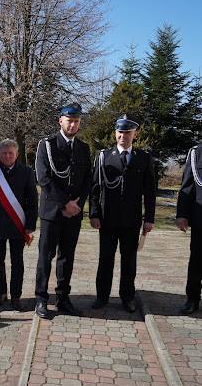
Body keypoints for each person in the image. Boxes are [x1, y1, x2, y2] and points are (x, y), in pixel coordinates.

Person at [89, 115, 155, 313]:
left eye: (127, 132)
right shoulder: (104, 156)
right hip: (107, 218)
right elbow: (95, 188)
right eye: (119, 132)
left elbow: (150, 191)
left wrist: (149, 218)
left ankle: (128, 297)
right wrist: (94, 213)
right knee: (105, 259)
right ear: (115, 133)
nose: (122, 136)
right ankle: (102, 296)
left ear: (134, 134)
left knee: (129, 261)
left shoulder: (143, 158)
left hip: (131, 219)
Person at [34, 103, 92, 318]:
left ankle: (63, 298)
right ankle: (41, 298)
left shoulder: (83, 148)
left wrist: (77, 204)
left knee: (66, 257)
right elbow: (44, 178)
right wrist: (65, 203)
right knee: (45, 256)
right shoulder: (47, 145)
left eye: (76, 121)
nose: (73, 124)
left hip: (73, 213)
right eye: (69, 120)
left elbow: (88, 180)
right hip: (52, 212)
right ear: (60, 120)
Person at [0, 139, 38, 311]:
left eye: (11, 153)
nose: (8, 156)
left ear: (16, 154)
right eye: (4, 153)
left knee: (17, 262)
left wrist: (31, 224)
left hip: (18, 224)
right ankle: (1, 293)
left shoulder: (26, 171)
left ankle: (16, 296)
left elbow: (32, 200)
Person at [176, 142, 202, 314]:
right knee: (197, 262)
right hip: (201, 218)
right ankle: (192, 299)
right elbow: (187, 185)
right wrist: (182, 214)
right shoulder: (196, 153)